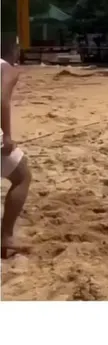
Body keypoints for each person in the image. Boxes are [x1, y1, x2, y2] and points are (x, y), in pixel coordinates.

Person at [1, 37, 31, 259]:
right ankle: (6, 237)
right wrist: (7, 136)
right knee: (22, 176)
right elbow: (2, 100)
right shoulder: (7, 68)